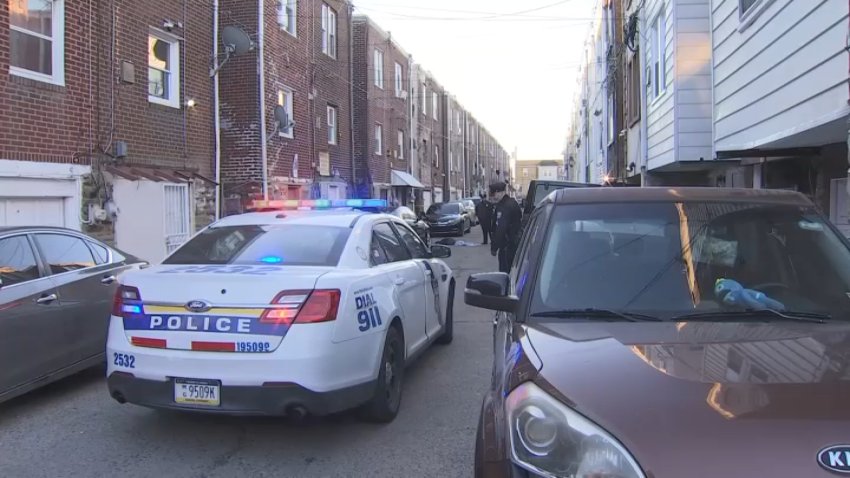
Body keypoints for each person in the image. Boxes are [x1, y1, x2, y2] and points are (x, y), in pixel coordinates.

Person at [489, 182, 522, 273]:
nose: (493, 197)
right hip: (515, 244)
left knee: (505, 273)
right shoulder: (512, 203)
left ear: (499, 193)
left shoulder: (504, 207)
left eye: (494, 194)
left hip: (507, 246)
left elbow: (501, 228)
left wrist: (494, 247)